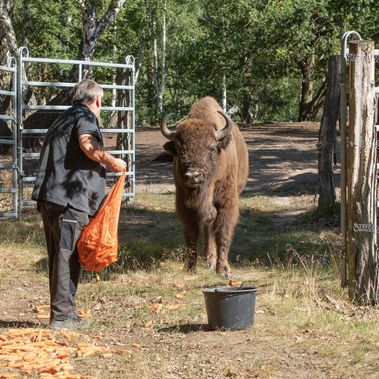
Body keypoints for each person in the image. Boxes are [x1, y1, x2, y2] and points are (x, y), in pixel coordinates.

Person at [32, 79, 126, 330]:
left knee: (58, 255)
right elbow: (88, 145)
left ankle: (65, 312)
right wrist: (111, 161)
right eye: (102, 104)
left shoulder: (61, 119)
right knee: (67, 255)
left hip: (51, 197)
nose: (101, 109)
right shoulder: (85, 115)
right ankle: (63, 318)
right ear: (95, 100)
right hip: (68, 201)